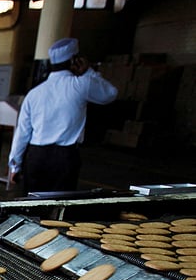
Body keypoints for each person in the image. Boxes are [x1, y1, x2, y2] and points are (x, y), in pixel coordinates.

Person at [7, 37, 118, 193]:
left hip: (36, 157)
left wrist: (15, 165)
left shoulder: (34, 94)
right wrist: (89, 72)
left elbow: (23, 132)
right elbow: (111, 94)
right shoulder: (81, 85)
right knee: (58, 208)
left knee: (31, 205)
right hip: (64, 158)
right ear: (75, 60)